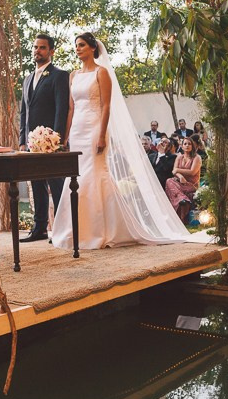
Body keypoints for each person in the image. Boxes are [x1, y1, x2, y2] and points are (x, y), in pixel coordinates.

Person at [52, 33, 189, 249]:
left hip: (95, 127)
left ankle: (102, 230)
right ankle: (74, 229)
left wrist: (101, 135)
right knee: (76, 176)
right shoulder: (73, 75)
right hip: (77, 130)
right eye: (76, 46)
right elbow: (71, 107)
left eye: (81, 45)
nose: (77, 49)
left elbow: (106, 106)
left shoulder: (101, 72)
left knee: (94, 174)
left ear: (92, 48)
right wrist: (66, 135)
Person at [19, 33, 70, 242]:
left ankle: (59, 229)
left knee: (56, 185)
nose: (37, 51)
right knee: (36, 184)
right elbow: (24, 112)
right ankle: (39, 228)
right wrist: (23, 140)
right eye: (35, 47)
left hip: (50, 142)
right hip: (32, 143)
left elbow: (62, 109)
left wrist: (56, 140)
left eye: (42, 47)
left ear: (51, 51)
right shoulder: (27, 79)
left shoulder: (59, 76)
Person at [166, 137, 202, 222]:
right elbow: (174, 172)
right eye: (185, 144)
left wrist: (178, 170)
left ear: (192, 146)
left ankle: (182, 201)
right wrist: (180, 176)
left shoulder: (197, 157)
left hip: (191, 184)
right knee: (169, 181)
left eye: (189, 144)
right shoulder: (179, 157)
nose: (187, 146)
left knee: (171, 186)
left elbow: (192, 172)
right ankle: (182, 199)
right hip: (180, 183)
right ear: (182, 146)